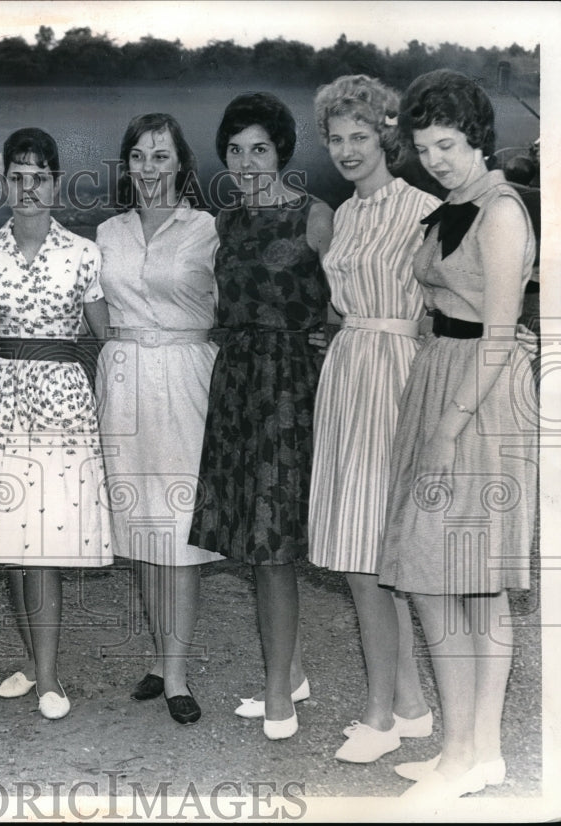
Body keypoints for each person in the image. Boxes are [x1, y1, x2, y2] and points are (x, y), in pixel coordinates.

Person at [378, 69, 537, 803]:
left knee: (471, 577)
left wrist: (448, 426)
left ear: (477, 138)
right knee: (438, 573)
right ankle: (463, 748)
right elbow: (441, 300)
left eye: (447, 144)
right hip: (440, 379)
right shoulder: (453, 206)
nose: (435, 158)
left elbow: (501, 335)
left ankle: (479, 751)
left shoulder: (501, 211)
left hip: (480, 400)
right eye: (423, 146)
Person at [189, 93, 333, 740]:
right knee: (255, 538)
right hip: (239, 384)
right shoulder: (225, 223)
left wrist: (327, 342)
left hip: (290, 391)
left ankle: (280, 696)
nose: (247, 162)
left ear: (281, 153)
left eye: (261, 149)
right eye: (236, 150)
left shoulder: (314, 217)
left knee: (274, 547)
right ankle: (291, 669)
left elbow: (345, 305)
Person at [0, 127, 112, 720]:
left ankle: (49, 678)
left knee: (46, 546)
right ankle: (31, 659)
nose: (28, 188)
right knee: (15, 543)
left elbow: (105, 336)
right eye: (17, 177)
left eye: (39, 177)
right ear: (4, 183)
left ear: (54, 184)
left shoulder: (82, 252)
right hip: (0, 402)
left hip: (63, 405)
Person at [307, 75, 438, 763]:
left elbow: (436, 311)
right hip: (349, 370)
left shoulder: (424, 208)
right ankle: (412, 707)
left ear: (385, 135)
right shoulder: (346, 214)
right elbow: (339, 304)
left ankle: (380, 716)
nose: (349, 150)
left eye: (361, 137)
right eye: (337, 139)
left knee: (373, 560)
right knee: (364, 551)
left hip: (395, 378)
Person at [94, 113, 220, 725]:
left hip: (185, 375)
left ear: (181, 164)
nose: (149, 169)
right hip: (122, 380)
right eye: (139, 157)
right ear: (128, 165)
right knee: (140, 528)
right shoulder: (107, 232)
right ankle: (157, 654)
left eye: (161, 157)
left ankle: (176, 673)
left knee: (178, 528)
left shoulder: (207, 230)